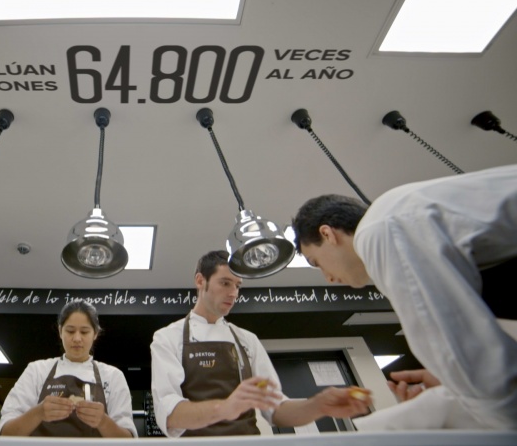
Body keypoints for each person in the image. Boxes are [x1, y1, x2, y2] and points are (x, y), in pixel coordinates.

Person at [291, 163, 517, 430]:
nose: (328, 278)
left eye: (316, 262)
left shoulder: (380, 230)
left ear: (327, 234)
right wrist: (452, 383)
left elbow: (470, 363)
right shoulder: (399, 218)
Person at [149, 250, 372, 437]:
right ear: (200, 281)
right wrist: (225, 408)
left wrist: (319, 405)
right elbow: (170, 413)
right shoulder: (168, 337)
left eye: (238, 285)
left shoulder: (247, 340)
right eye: (225, 283)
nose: (233, 293)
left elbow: (276, 409)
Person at [0, 301, 137, 437]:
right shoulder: (36, 371)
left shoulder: (113, 376)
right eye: (70, 331)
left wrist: (103, 422)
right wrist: (38, 413)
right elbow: (6, 432)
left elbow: (128, 440)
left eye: (84, 332)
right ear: (60, 331)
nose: (77, 338)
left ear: (95, 334)